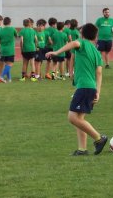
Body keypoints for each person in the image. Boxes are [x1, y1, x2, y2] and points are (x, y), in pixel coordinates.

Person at [46, 23, 108, 156]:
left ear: (82, 34)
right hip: (90, 87)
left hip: (84, 87)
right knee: (80, 119)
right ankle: (82, 149)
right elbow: (99, 73)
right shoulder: (97, 52)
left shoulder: (82, 43)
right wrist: (98, 91)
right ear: (95, 36)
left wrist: (56, 52)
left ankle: (99, 138)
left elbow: (74, 43)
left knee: (72, 117)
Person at [0, 16, 18, 82]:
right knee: (10, 64)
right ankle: (1, 76)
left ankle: (9, 78)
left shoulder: (0, 30)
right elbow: (16, 36)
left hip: (3, 50)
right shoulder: (12, 29)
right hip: (10, 50)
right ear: (10, 22)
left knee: (6, 64)